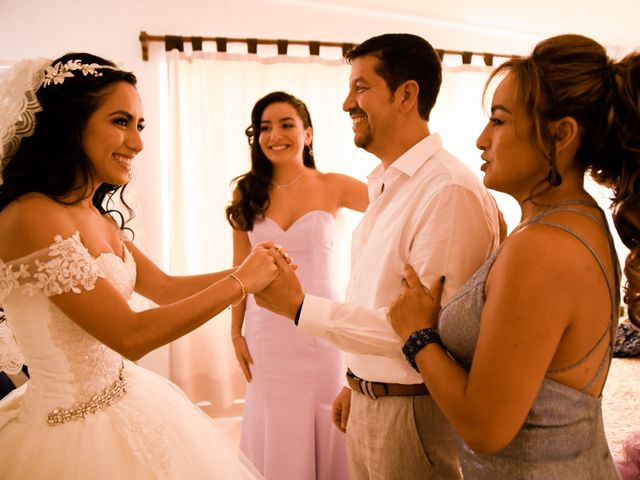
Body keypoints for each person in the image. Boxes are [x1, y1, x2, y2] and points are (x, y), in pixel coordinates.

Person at [0, 52, 290, 479]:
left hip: (125, 396)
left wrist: (260, 268)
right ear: (71, 123)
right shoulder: (30, 215)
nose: (136, 143)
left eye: (139, 126)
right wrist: (241, 283)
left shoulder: (95, 215)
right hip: (69, 433)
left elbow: (167, 287)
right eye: (120, 122)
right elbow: (130, 336)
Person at [387, 33, 640, 479]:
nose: (482, 139)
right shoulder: (570, 221)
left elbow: (486, 427)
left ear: (560, 135)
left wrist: (418, 335)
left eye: (499, 121)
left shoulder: (543, 248)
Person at [253, 34, 502, 479]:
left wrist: (299, 307)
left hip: (412, 413)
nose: (347, 103)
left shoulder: (446, 190)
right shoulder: (386, 184)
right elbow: (379, 301)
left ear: (406, 94)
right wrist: (357, 381)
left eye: (361, 88)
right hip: (372, 401)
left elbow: (427, 337)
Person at [225, 91, 367, 479]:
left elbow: (399, 207)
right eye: (265, 128)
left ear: (308, 134)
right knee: (274, 415)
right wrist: (235, 332)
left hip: (322, 327)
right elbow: (240, 269)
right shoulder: (247, 193)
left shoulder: (333, 185)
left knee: (326, 411)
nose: (275, 135)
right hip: (265, 331)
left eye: (286, 124)